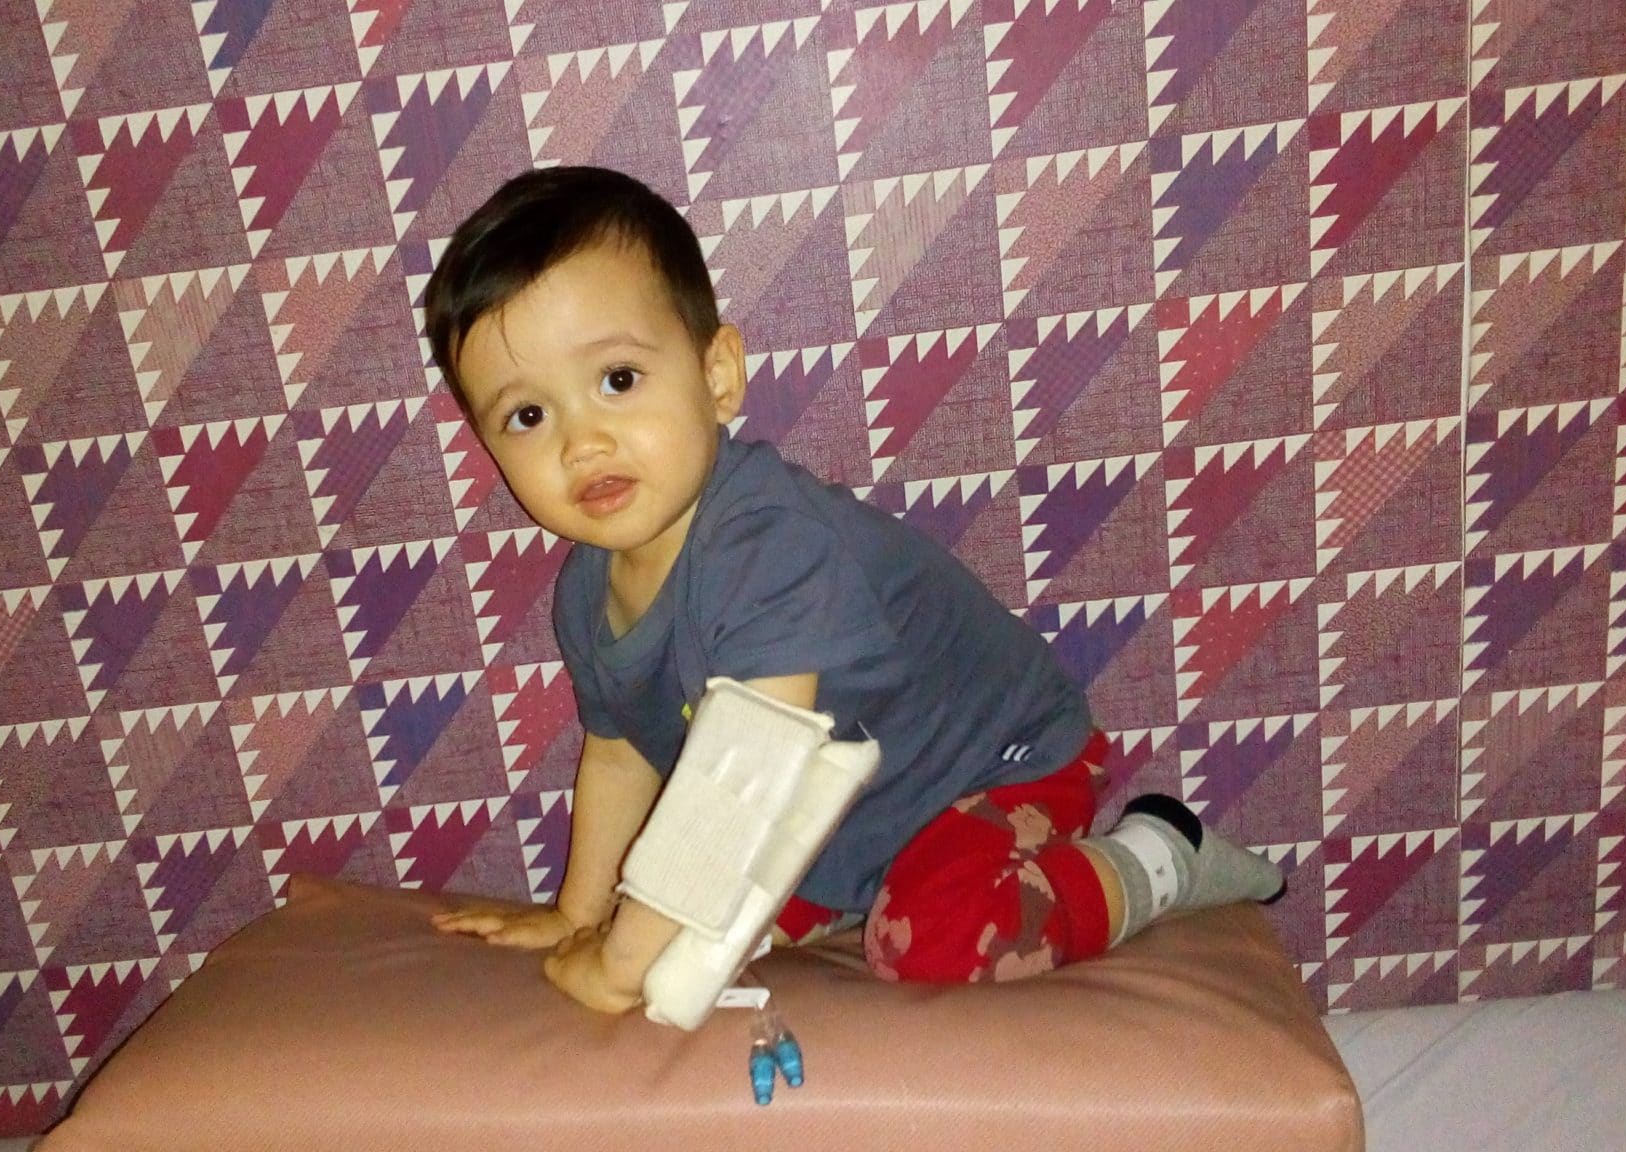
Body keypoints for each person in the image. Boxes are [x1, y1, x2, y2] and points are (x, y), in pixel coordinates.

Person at [425, 166, 1285, 1013]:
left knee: (932, 940)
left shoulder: (768, 545)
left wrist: (617, 967)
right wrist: (579, 915)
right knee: (691, 937)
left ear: (717, 375)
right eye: (528, 416)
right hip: (853, 805)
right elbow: (622, 755)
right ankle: (858, 887)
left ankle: (1159, 853)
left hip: (997, 763)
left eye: (618, 380)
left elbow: (746, 766)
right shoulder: (586, 594)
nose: (582, 442)